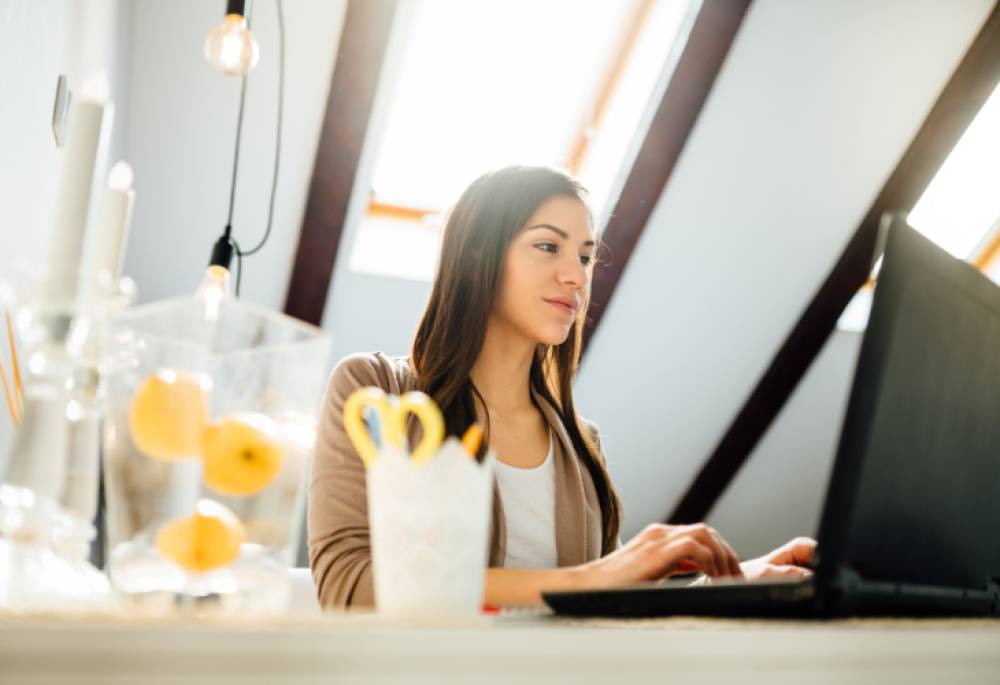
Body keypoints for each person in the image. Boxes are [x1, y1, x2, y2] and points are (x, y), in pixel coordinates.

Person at [308, 165, 816, 609]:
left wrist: (725, 585)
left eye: (587, 257)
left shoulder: (581, 444)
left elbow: (600, 608)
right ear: (478, 252)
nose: (577, 276)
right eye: (548, 246)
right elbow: (348, 588)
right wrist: (590, 577)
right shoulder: (374, 393)